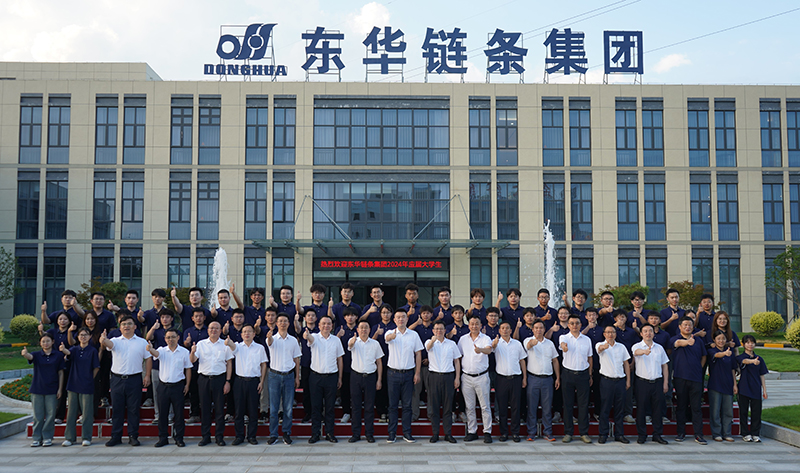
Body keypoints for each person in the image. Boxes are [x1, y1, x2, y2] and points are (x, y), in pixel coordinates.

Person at [100, 315, 152, 447]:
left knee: (134, 409)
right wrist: (103, 340)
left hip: (134, 379)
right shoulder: (115, 341)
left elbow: (148, 358)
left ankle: (133, 436)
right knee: (117, 409)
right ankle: (116, 436)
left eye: (129, 324)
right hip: (117, 379)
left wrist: (147, 375)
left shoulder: (142, 342)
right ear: (120, 327)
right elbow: (108, 345)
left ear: (135, 327)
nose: (126, 326)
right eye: (123, 324)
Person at [146, 327, 192, 448]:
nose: (170, 339)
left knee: (179, 414)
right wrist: (150, 349)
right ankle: (163, 438)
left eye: (173, 337)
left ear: (178, 338)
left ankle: (179, 438)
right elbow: (155, 354)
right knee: (162, 414)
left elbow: (188, 369)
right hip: (163, 387)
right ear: (165, 339)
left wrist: (187, 385)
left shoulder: (184, 352)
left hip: (178, 386)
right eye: (168, 337)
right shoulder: (162, 350)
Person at [191, 321, 234, 446]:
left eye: (216, 328)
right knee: (205, 409)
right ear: (207, 330)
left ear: (220, 330)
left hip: (220, 379)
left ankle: (219, 437)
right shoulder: (201, 344)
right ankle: (205, 436)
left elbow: (229, 364)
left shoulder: (225, 344)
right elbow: (193, 360)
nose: (213, 330)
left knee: (220, 409)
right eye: (211, 328)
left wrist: (228, 381)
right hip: (204, 379)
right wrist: (192, 352)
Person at [385, 309, 423, 443]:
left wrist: (417, 373)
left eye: (403, 317)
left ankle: (407, 433)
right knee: (392, 405)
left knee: (407, 405)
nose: (401, 319)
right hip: (393, 374)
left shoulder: (414, 335)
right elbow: (387, 339)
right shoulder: (390, 332)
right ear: (394, 320)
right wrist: (392, 337)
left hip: (408, 374)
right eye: (398, 317)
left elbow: (418, 354)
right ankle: (392, 433)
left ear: (407, 319)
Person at [225, 324, 268, 445]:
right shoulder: (238, 346)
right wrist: (228, 342)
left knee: (253, 410)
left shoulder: (259, 348)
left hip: (254, 381)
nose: (247, 333)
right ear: (241, 334)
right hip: (239, 381)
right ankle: (239, 436)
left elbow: (264, 365)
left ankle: (252, 436)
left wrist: (262, 381)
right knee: (239, 411)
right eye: (244, 331)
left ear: (254, 334)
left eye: (249, 331)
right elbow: (232, 346)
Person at [305, 316, 344, 443]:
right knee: (316, 407)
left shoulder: (336, 340)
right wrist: (307, 335)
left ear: (332, 326)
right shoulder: (314, 337)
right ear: (319, 325)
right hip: (316, 377)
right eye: (323, 324)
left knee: (330, 407)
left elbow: (340, 359)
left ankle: (329, 433)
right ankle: (315, 433)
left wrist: (340, 378)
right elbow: (309, 339)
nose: (326, 326)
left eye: (328, 324)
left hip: (331, 377)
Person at [22, 333, 65, 447]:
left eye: (48, 341)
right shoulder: (36, 355)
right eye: (43, 342)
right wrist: (25, 354)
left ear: (52, 342)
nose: (46, 343)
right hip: (37, 389)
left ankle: (47, 437)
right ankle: (36, 438)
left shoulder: (58, 355)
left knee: (51, 415)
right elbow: (30, 357)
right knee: (38, 416)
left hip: (52, 389)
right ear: (40, 343)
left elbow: (61, 373)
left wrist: (60, 389)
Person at [59, 327, 99, 447]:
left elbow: (96, 367)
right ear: (78, 337)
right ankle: (70, 438)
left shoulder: (92, 351)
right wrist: (64, 350)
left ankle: (86, 437)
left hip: (86, 385)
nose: (83, 337)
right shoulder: (74, 349)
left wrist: (89, 379)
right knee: (71, 413)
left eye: (86, 335)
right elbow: (68, 354)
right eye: (81, 335)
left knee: (87, 413)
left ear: (90, 337)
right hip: (73, 384)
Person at [266, 313, 302, 445]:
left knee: (288, 408)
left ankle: (286, 433)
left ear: (288, 323)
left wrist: (297, 377)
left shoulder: (293, 340)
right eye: (280, 321)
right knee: (274, 408)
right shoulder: (272, 338)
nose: (282, 323)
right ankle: (273, 434)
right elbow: (269, 343)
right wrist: (269, 337)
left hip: (289, 376)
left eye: (285, 321)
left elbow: (296, 359)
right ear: (276, 324)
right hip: (274, 376)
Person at [671, 316, 708, 444]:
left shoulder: (699, 341)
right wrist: (687, 342)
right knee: (681, 406)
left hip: (696, 378)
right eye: (685, 325)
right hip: (680, 377)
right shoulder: (675, 339)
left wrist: (698, 368)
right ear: (680, 327)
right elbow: (677, 344)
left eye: (690, 325)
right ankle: (681, 433)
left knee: (696, 407)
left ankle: (698, 434)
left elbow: (704, 356)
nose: (688, 327)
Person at [457, 315, 494, 443]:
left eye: (476, 324)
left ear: (481, 325)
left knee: (485, 406)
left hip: (481, 376)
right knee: (469, 406)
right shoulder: (463, 339)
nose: (474, 326)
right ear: (468, 325)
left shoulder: (485, 338)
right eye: (472, 324)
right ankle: (472, 431)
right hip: (466, 377)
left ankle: (487, 431)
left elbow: (489, 350)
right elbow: (459, 356)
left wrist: (480, 350)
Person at [632, 324, 670, 444]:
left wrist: (665, 382)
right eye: (645, 331)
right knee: (641, 410)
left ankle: (657, 434)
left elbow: (665, 365)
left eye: (650, 331)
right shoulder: (637, 346)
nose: (648, 333)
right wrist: (644, 351)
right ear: (641, 334)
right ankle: (642, 434)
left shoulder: (659, 348)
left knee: (658, 410)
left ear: (654, 333)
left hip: (657, 382)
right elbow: (636, 352)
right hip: (642, 382)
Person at [347, 320, 384, 443]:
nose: (363, 330)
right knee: (356, 406)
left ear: (369, 330)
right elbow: (350, 346)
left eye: (366, 327)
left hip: (370, 377)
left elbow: (379, 363)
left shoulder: (375, 344)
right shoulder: (353, 341)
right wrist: (352, 342)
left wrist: (379, 380)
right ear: (357, 330)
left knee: (369, 407)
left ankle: (369, 434)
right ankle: (356, 434)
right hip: (355, 377)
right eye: (361, 327)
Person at [524, 319, 560, 442]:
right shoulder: (528, 340)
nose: (539, 330)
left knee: (547, 408)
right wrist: (533, 342)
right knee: (532, 407)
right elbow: (528, 346)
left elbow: (555, 360)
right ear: (533, 329)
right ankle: (531, 432)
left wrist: (557, 377)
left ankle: (548, 432)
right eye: (536, 328)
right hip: (533, 378)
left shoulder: (549, 344)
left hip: (548, 379)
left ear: (544, 329)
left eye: (541, 328)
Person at [425, 319, 461, 443]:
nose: (439, 331)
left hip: (448, 377)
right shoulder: (429, 342)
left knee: (448, 407)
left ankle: (448, 433)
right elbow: (428, 348)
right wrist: (433, 340)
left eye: (441, 329)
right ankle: (435, 433)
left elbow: (457, 361)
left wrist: (457, 377)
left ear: (445, 330)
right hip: (434, 376)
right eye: (436, 329)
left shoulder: (451, 344)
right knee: (434, 406)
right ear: (433, 330)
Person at [559, 314, 592, 444]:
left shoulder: (587, 340)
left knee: (583, 405)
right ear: (568, 325)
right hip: (568, 374)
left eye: (577, 323)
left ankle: (584, 433)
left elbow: (590, 357)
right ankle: (568, 433)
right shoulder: (564, 337)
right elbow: (562, 344)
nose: (574, 325)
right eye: (572, 323)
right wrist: (564, 347)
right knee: (568, 404)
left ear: (580, 324)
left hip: (583, 374)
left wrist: (590, 374)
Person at [595, 324, 631, 444]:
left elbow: (626, 364)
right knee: (605, 408)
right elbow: (599, 349)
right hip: (607, 381)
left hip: (620, 380)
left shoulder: (621, 347)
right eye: (608, 332)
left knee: (619, 409)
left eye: (613, 332)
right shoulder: (600, 344)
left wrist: (628, 380)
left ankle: (619, 434)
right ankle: (603, 434)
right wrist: (605, 346)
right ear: (604, 334)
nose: (610, 334)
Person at [145, 308, 180, 425]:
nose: (165, 319)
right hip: (157, 365)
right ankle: (158, 415)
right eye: (162, 317)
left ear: (171, 319)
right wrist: (153, 328)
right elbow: (147, 338)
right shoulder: (157, 331)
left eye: (167, 317)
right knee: (157, 392)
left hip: (172, 365)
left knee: (171, 392)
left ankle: (170, 415)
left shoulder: (176, 332)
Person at [493, 321, 527, 442]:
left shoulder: (517, 344)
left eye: (507, 328)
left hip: (516, 378)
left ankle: (515, 433)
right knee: (502, 407)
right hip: (501, 379)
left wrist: (524, 377)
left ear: (511, 330)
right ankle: (503, 433)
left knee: (515, 407)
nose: (505, 330)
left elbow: (522, 360)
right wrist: (493, 344)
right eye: (502, 328)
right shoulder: (495, 343)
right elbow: (489, 350)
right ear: (499, 330)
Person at [737, 335, 768, 442]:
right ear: (743, 344)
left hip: (756, 388)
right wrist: (752, 361)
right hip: (744, 388)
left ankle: (755, 433)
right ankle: (745, 433)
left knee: (756, 412)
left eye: (752, 342)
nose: (750, 344)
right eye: (748, 342)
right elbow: (744, 361)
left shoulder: (760, 359)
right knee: (743, 412)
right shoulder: (740, 357)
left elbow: (762, 375)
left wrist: (764, 390)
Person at [707, 330, 737, 442]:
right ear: (714, 340)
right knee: (715, 411)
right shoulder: (711, 351)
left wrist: (735, 384)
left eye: (723, 339)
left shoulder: (730, 352)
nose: (721, 341)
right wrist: (724, 354)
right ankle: (716, 433)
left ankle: (727, 433)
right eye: (718, 339)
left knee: (728, 411)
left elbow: (733, 369)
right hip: (715, 385)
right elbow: (716, 355)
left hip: (728, 384)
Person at [182, 308, 209, 424]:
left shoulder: (208, 331)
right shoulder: (188, 331)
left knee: (206, 393)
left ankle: (207, 414)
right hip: (192, 366)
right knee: (194, 392)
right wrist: (187, 343)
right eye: (196, 316)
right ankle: (194, 414)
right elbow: (184, 344)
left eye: (201, 316)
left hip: (207, 367)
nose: (198, 318)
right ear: (192, 318)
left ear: (204, 317)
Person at [370, 304, 395, 423]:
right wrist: (376, 333)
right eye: (384, 312)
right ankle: (382, 412)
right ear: (380, 314)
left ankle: (390, 411)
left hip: (392, 362)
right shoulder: (375, 327)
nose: (386, 314)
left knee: (390, 388)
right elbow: (369, 343)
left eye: (388, 312)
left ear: (391, 314)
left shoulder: (395, 327)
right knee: (380, 387)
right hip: (378, 362)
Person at [410, 305, 434, 422]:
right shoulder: (416, 329)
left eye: (428, 313)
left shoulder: (434, 328)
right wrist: (416, 323)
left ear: (431, 315)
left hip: (431, 364)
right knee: (415, 391)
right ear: (420, 315)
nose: (426, 315)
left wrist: (430, 359)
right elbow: (406, 331)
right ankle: (414, 414)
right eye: (424, 313)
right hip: (417, 364)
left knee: (431, 391)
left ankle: (431, 414)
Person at [336, 308, 358, 424]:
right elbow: (333, 346)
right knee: (345, 390)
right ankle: (346, 412)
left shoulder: (360, 330)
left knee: (356, 392)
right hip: (344, 365)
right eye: (347, 315)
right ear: (344, 317)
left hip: (358, 366)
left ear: (356, 317)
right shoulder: (339, 330)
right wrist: (338, 336)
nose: (350, 317)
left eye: (352, 315)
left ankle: (355, 413)